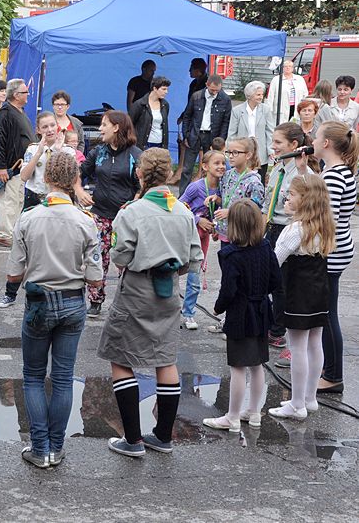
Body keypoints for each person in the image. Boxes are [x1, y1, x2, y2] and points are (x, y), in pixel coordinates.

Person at [97, 148, 202, 457]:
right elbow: (194, 258)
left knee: (120, 357)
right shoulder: (183, 211)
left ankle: (132, 439)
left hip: (137, 290)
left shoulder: (132, 211)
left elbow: (120, 255)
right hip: (169, 292)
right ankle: (162, 436)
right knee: (165, 359)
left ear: (139, 174)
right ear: (169, 175)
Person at [7, 151, 102, 468]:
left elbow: (13, 274)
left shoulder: (29, 218)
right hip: (73, 301)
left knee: (33, 377)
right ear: (75, 180)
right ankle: (56, 447)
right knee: (62, 378)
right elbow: (95, 277)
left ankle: (40, 446)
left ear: (46, 178)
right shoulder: (85, 223)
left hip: (39, 302)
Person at [202, 199, 281, 433]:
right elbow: (276, 281)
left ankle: (232, 417)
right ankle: (254, 412)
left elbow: (229, 289)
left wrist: (217, 308)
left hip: (240, 313)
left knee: (237, 366)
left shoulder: (230, 254)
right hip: (262, 310)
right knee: (258, 365)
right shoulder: (266, 247)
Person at [268, 175, 335, 420]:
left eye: (292, 195)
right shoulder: (324, 226)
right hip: (318, 292)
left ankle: (296, 404)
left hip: (296, 294)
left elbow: (275, 260)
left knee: (296, 347)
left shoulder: (295, 229)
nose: (287, 197)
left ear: (304, 200)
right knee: (315, 343)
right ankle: (309, 398)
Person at [304, 121, 358, 393]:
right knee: (327, 313)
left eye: (316, 137)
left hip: (330, 253)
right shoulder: (334, 172)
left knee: (327, 315)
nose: (311, 140)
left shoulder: (334, 177)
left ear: (326, 144)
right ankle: (329, 370)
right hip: (336, 249)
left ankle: (334, 375)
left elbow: (328, 220)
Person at [73, 110, 143, 319]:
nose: (100, 129)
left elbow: (143, 187)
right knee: (97, 260)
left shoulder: (135, 155)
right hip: (100, 215)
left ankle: (125, 302)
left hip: (125, 219)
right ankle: (95, 301)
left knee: (126, 262)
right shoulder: (98, 152)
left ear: (117, 127)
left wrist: (134, 203)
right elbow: (77, 173)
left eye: (104, 125)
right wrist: (79, 191)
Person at [264, 123, 309, 359]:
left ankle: (279, 330)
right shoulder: (276, 170)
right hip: (272, 228)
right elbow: (267, 203)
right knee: (270, 279)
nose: (273, 146)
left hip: (288, 228)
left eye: (278, 142)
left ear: (294, 145)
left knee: (282, 283)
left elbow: (309, 201)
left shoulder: (301, 174)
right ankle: (270, 322)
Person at [178, 150, 225, 330]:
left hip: (205, 237)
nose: (221, 166)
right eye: (217, 163)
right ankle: (175, 308)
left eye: (223, 163)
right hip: (190, 234)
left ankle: (188, 312)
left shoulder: (223, 187)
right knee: (181, 270)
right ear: (205, 167)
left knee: (195, 275)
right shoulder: (196, 187)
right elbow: (180, 206)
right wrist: (198, 220)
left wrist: (215, 227)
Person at [0, 79, 34, 248]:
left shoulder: (19, 111)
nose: (28, 95)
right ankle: (3, 234)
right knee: (8, 201)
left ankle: (12, 233)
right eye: (25, 92)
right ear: (16, 95)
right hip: (9, 167)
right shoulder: (6, 113)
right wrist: (1, 166)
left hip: (19, 167)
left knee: (16, 200)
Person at [179, 74, 232, 194]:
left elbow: (226, 121)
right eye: (212, 90)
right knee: (187, 168)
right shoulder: (196, 96)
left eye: (217, 90)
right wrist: (186, 134)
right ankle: (183, 196)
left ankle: (208, 194)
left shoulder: (225, 99)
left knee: (211, 168)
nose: (214, 92)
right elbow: (187, 116)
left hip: (212, 136)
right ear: (207, 85)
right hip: (195, 134)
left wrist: (221, 140)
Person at [211, 137, 265, 247]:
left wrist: (230, 212)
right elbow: (225, 202)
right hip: (225, 232)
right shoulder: (227, 175)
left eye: (235, 153)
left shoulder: (254, 182)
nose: (230, 156)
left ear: (248, 155)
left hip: (242, 236)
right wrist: (217, 200)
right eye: (228, 152)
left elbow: (255, 212)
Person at [20, 111, 77, 210]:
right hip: (35, 197)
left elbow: (70, 178)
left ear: (57, 126)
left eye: (52, 125)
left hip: (59, 198)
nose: (49, 130)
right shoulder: (32, 149)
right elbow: (24, 177)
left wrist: (59, 152)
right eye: (45, 127)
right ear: (38, 130)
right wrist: (38, 153)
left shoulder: (68, 150)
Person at [228, 81, 275, 183]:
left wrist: (271, 150)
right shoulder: (237, 111)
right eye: (258, 95)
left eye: (262, 94)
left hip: (260, 150)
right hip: (242, 149)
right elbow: (232, 133)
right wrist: (231, 151)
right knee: (242, 179)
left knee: (259, 180)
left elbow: (270, 131)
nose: (261, 97)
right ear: (249, 95)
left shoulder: (266, 110)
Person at [129, 76, 171, 150]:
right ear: (155, 88)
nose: (166, 92)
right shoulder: (140, 104)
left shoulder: (165, 105)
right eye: (164, 89)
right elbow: (130, 123)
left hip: (160, 144)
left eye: (167, 89)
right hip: (144, 144)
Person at [266, 59, 308, 124]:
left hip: (296, 107)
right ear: (282, 68)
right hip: (281, 108)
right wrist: (269, 110)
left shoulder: (299, 79)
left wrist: (305, 107)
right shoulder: (276, 79)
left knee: (294, 126)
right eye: (286, 66)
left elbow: (305, 94)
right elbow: (271, 95)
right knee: (282, 126)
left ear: (293, 68)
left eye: (290, 66)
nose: (288, 68)